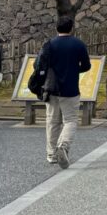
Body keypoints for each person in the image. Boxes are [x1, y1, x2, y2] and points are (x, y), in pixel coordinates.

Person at [39, 15, 91, 168]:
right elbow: (87, 66)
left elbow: (39, 65)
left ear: (56, 28)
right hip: (71, 88)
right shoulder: (78, 44)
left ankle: (51, 154)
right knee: (70, 120)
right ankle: (63, 146)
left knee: (52, 121)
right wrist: (76, 69)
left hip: (51, 88)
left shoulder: (49, 44)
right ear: (72, 28)